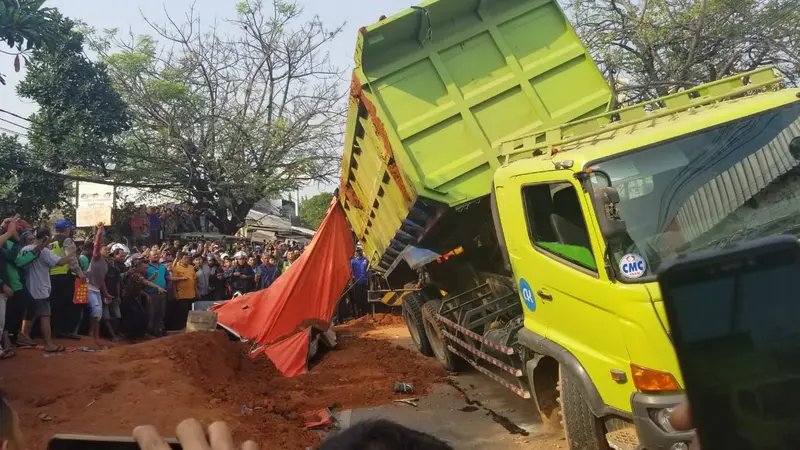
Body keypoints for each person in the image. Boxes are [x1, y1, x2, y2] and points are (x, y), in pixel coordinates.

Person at [20, 228, 77, 353]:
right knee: (45, 315)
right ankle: (48, 344)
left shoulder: (25, 249)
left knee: (30, 314)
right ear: (45, 237)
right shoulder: (44, 251)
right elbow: (61, 262)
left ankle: (24, 337)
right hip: (41, 287)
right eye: (50, 237)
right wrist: (71, 253)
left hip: (28, 287)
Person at [48, 220, 85, 341]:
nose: (71, 231)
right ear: (66, 229)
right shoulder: (67, 241)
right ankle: (68, 331)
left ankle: (56, 330)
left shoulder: (51, 241)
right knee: (71, 305)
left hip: (52, 276)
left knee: (56, 305)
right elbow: (72, 259)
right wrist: (80, 273)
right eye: (70, 229)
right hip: (66, 275)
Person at [85, 224, 111, 349]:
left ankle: (96, 336)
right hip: (88, 287)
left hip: (96, 289)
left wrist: (105, 293)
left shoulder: (106, 264)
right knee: (95, 311)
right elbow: (96, 245)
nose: (108, 251)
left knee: (99, 314)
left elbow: (102, 281)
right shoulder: (96, 258)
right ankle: (92, 336)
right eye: (105, 249)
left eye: (108, 250)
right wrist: (99, 232)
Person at [103, 246, 127, 341]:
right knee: (106, 317)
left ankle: (114, 332)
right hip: (104, 296)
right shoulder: (102, 270)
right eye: (107, 259)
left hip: (114, 296)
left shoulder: (115, 270)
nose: (108, 261)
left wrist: (118, 296)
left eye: (109, 259)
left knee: (117, 316)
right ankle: (112, 335)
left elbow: (118, 283)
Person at [168, 252, 194, 330]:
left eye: (188, 258)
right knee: (183, 313)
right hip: (182, 295)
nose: (187, 259)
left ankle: (190, 328)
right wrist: (175, 294)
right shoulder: (176, 268)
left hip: (192, 294)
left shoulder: (191, 267)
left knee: (190, 312)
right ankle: (182, 328)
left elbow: (194, 281)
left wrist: (197, 292)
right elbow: (174, 283)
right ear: (180, 259)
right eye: (185, 258)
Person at [350, 247, 369, 318]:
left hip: (365, 282)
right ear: (355, 253)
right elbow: (351, 272)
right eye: (357, 251)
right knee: (357, 299)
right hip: (356, 283)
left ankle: (365, 313)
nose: (358, 252)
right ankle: (357, 314)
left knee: (364, 298)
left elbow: (368, 268)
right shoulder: (352, 261)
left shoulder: (365, 260)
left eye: (359, 251)